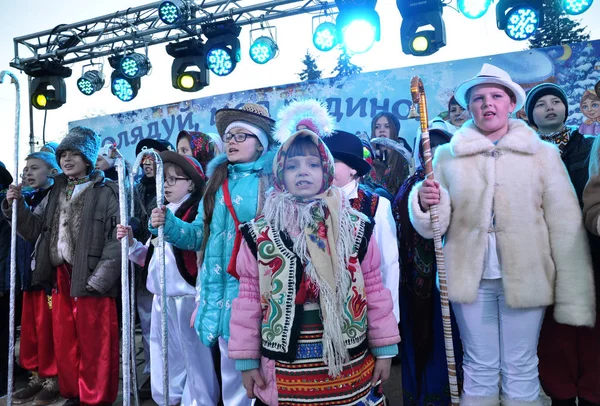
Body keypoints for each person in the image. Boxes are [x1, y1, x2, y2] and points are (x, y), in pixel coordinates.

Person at [410, 64, 596, 406]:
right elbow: (433, 226)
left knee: (522, 366)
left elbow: (565, 224)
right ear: (469, 107)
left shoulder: (543, 155)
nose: (487, 104)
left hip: (528, 276)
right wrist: (423, 202)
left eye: (497, 96)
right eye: (478, 98)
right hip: (469, 279)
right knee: (479, 366)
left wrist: (573, 291)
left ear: (512, 104)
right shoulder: (446, 156)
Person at [228, 129, 400, 405]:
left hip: (348, 361)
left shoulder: (354, 227)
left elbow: (375, 289)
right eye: (292, 166)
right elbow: (248, 299)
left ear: (327, 169)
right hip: (284, 368)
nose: (303, 172)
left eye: (313, 164)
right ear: (279, 174)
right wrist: (247, 360)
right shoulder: (258, 233)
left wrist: (385, 348)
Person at [149, 103, 277, 406]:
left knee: (265, 378)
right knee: (233, 378)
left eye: (241, 135)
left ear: (261, 144)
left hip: (258, 295)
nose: (231, 140)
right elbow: (196, 237)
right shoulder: (215, 184)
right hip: (216, 295)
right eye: (229, 135)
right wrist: (168, 223)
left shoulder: (273, 182)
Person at [2, 127, 122, 406]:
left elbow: (116, 239)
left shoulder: (108, 191)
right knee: (65, 340)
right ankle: (72, 391)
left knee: (95, 342)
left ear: (88, 158)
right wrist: (16, 207)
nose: (67, 160)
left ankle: (95, 397)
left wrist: (99, 279)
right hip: (59, 276)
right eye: (63, 155)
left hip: (91, 277)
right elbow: (34, 230)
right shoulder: (56, 190)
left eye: (74, 154)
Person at [118, 151, 218, 405]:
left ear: (192, 184)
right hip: (161, 299)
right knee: (165, 356)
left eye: (175, 179)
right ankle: (167, 399)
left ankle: (199, 401)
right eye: (165, 179)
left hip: (188, 299)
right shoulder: (159, 213)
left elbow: (197, 252)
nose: (167, 185)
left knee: (195, 358)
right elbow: (154, 260)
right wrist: (131, 243)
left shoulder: (198, 213)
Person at [393, 128, 464, 405]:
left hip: (450, 278)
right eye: (426, 147)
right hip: (414, 281)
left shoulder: (459, 180)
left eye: (438, 146)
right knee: (418, 342)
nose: (431, 153)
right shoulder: (412, 182)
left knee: (448, 343)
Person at [322, 130, 400, 323]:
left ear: (353, 169)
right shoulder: (310, 204)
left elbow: (388, 265)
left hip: (364, 308)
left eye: (333, 161)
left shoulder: (376, 205)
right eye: (320, 162)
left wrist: (389, 318)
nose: (326, 168)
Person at [11, 152, 61, 405]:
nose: (27, 173)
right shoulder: (29, 196)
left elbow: (38, 230)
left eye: (35, 168)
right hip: (27, 274)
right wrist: (15, 204)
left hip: (47, 275)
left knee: (49, 329)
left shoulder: (57, 196)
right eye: (25, 169)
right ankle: (38, 376)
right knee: (32, 331)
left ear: (52, 172)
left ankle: (54, 379)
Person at [132, 137, 174, 392]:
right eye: (143, 157)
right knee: (148, 325)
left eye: (153, 157)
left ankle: (172, 377)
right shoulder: (134, 189)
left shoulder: (171, 189)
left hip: (169, 267)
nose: (148, 163)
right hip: (141, 264)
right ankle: (152, 372)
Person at [370, 112, 412, 198]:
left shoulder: (404, 158)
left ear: (394, 130)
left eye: (387, 126)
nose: (381, 130)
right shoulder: (367, 155)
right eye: (377, 127)